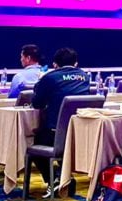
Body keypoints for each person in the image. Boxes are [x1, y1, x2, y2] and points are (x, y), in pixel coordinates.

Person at [31, 47, 89, 190]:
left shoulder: (50, 77)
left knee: (31, 142)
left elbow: (37, 103)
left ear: (55, 64)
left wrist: (40, 81)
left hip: (55, 134)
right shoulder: (84, 76)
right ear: (76, 63)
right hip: (80, 132)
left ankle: (55, 179)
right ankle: (64, 177)